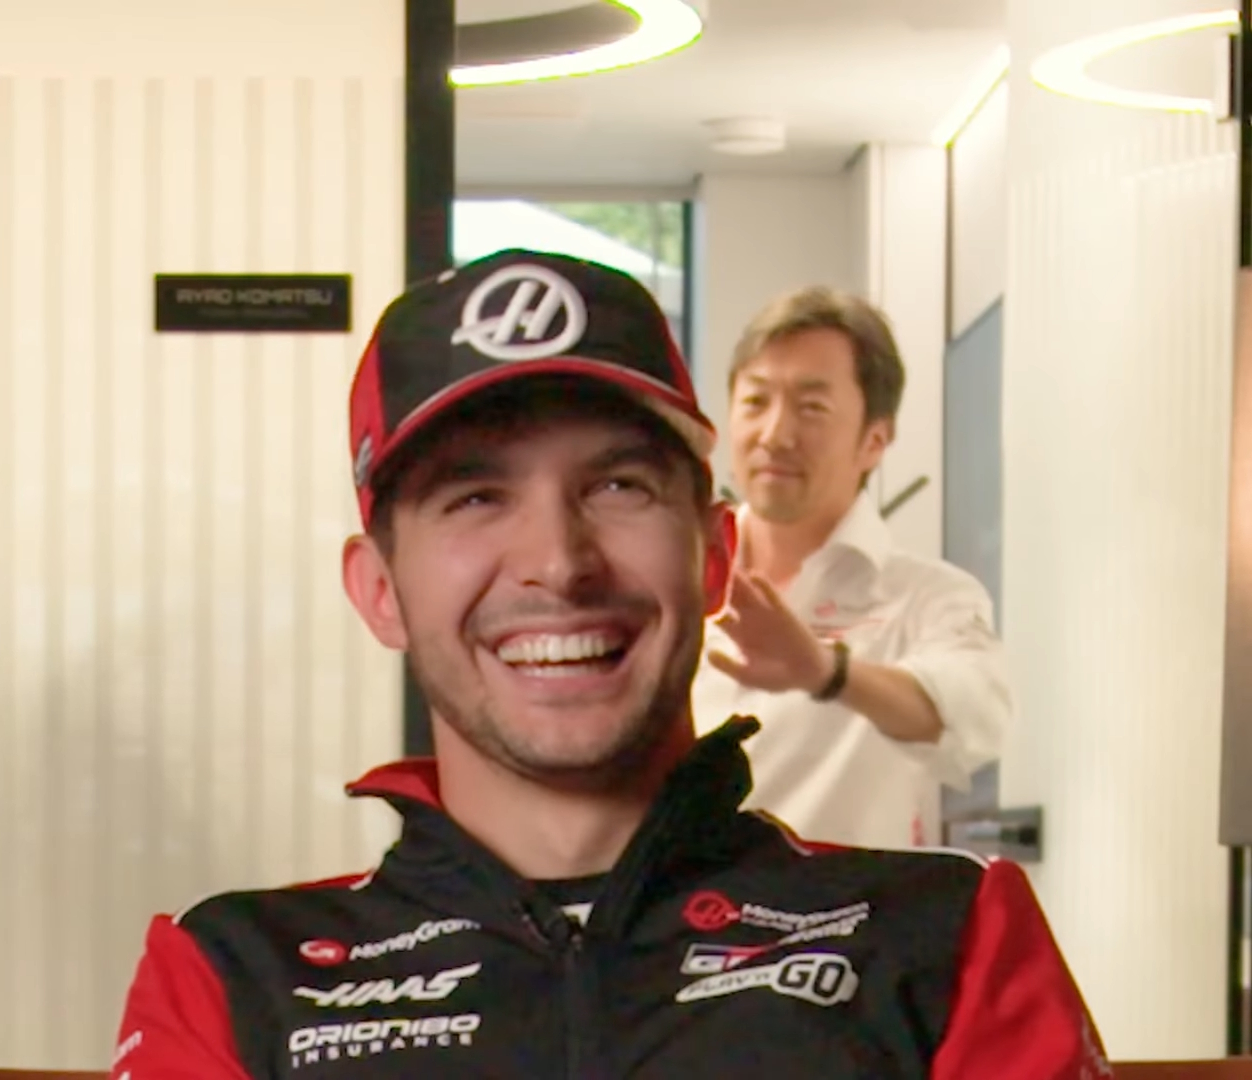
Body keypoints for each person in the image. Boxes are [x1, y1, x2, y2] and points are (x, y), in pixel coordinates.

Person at [111, 250, 1106, 1079]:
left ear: (714, 557)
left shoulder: (951, 935)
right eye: (474, 497)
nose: (559, 563)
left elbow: (966, 708)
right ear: (379, 591)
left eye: (619, 486)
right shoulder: (230, 976)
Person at [692, 287, 1010, 850]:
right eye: (756, 401)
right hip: (678, 904)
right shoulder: (677, 580)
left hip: (844, 906)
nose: (774, 435)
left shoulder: (927, 597)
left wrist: (826, 672)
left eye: (811, 408)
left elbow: (974, 716)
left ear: (874, 441)